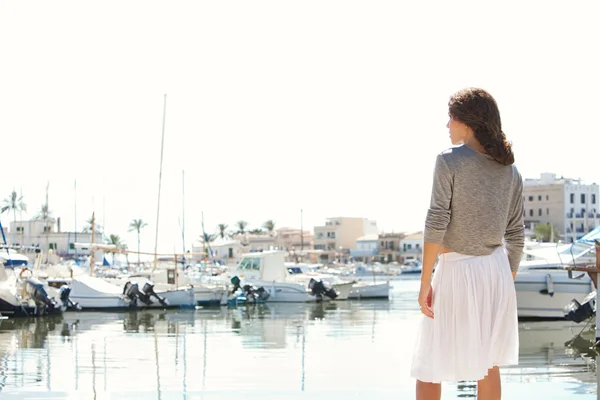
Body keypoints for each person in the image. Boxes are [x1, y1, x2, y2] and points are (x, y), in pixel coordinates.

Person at [410, 87, 525, 400]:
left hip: (457, 270)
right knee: (488, 363)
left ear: (468, 122)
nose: (447, 126)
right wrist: (504, 279)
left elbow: (436, 222)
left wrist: (424, 284)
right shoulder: (510, 171)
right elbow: (516, 233)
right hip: (496, 271)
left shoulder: (450, 161)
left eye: (451, 118)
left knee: (429, 366)